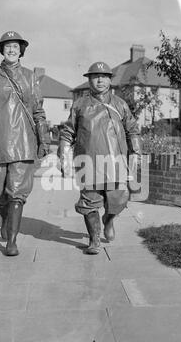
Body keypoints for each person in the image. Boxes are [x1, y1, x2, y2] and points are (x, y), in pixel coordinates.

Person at [0, 31, 50, 256]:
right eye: (7, 46)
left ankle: (11, 242)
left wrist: (44, 139)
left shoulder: (30, 76)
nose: (11, 50)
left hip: (24, 143)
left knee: (17, 193)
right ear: (1, 50)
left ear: (21, 50)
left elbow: (38, 111)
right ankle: (5, 220)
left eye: (15, 46)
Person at [58, 61, 141, 254]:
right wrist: (64, 155)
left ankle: (109, 220)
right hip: (88, 160)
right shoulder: (79, 105)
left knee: (119, 199)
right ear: (89, 80)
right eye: (96, 76)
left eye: (104, 76)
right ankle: (94, 239)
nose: (100, 80)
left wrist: (135, 152)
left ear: (110, 80)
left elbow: (133, 130)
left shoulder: (120, 104)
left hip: (116, 161)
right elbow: (68, 132)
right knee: (90, 202)